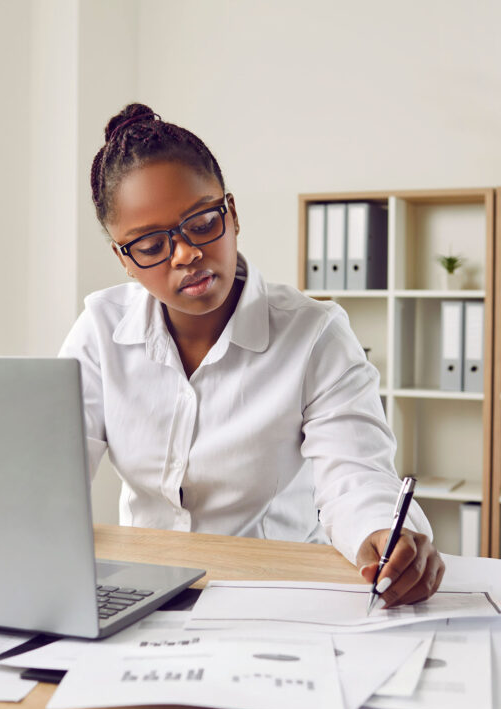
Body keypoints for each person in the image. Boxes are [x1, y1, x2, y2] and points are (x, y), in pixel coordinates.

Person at [60, 103, 444, 607]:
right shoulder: (100, 329)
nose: (185, 254)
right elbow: (52, 477)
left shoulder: (314, 333)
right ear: (123, 259)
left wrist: (383, 533)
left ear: (232, 214)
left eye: (200, 222)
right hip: (140, 594)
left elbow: (355, 473)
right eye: (151, 244)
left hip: (270, 595)